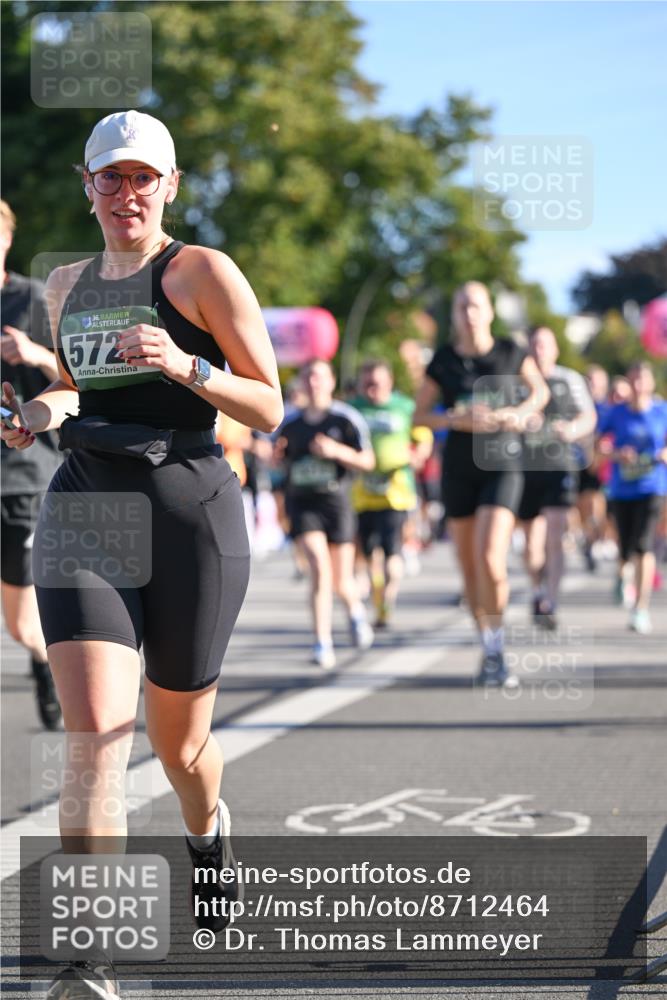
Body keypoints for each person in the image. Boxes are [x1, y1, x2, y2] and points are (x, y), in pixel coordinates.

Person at [1, 110, 283, 999]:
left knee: (181, 748)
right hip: (87, 507)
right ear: (88, 188)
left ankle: (208, 835)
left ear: (169, 186)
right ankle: (92, 957)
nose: (127, 194)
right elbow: (78, 393)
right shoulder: (67, 283)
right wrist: (33, 416)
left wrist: (186, 366)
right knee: (96, 738)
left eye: (143, 178)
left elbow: (268, 407)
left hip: (189, 512)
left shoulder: (202, 272)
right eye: (110, 178)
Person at [413, 281, 548, 687]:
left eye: (475, 305)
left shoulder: (510, 351)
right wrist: (455, 418)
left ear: (489, 311)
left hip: (502, 463)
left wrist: (518, 414)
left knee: (491, 557)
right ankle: (489, 648)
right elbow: (419, 416)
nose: (468, 313)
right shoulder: (444, 359)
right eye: (460, 306)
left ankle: (498, 645)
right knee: (470, 569)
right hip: (458, 468)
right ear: (453, 315)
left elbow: (539, 392)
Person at [0, 199, 62, 730]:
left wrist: (34, 354)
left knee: (21, 622)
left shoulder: (32, 299)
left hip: (22, 474)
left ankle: (45, 660)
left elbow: (72, 373)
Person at [275, 358, 375, 668]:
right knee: (319, 568)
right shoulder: (290, 423)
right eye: (307, 377)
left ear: (331, 381)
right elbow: (278, 460)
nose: (313, 382)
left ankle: (356, 611)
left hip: (337, 503)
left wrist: (335, 451)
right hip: (304, 504)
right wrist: (271, 457)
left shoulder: (346, 419)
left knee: (341, 580)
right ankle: (322, 642)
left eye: (319, 377)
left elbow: (367, 461)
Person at [517, 327, 596, 629]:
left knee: (554, 536)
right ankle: (538, 590)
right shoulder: (518, 381)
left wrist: (572, 430)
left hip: (559, 467)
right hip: (525, 468)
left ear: (555, 350)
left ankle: (551, 600)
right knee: (531, 544)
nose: (539, 350)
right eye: (534, 344)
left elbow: (588, 416)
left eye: (544, 345)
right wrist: (523, 419)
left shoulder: (569, 379)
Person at [348, 359, 432, 627]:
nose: (372, 388)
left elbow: (423, 435)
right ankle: (378, 598)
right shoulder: (352, 409)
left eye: (377, 383)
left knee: (391, 550)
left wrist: (418, 455)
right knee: (369, 552)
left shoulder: (404, 407)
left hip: (396, 491)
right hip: (362, 492)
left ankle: (388, 599)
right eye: (367, 383)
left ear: (389, 382)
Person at [597, 361, 667, 633]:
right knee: (626, 547)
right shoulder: (616, 414)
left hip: (652, 486)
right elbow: (599, 447)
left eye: (642, 380)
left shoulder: (662, 411)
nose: (638, 386)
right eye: (633, 380)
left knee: (643, 544)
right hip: (622, 488)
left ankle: (641, 608)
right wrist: (616, 454)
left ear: (650, 383)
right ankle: (622, 573)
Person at [576, 365, 612, 571]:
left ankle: (597, 537)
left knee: (595, 502)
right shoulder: (577, 405)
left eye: (596, 381)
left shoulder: (607, 409)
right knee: (582, 506)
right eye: (588, 380)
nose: (592, 385)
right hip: (577, 462)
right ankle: (589, 539)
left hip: (599, 465)